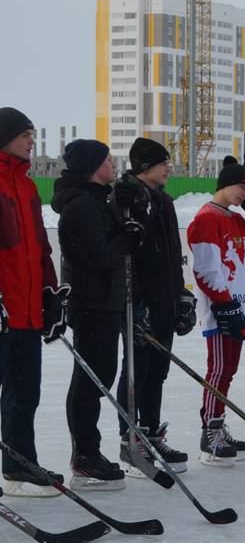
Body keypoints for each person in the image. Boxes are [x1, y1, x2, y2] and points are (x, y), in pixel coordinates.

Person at [53, 139, 142, 489]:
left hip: (105, 301)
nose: (114, 164)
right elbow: (99, 257)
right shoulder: (82, 207)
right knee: (90, 380)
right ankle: (85, 455)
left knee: (99, 376)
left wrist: (122, 218)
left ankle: (89, 452)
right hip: (92, 304)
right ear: (92, 167)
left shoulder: (97, 201)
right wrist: (126, 238)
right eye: (107, 160)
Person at [113, 137, 193, 475]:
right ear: (145, 167)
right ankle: (130, 438)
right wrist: (136, 304)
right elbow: (128, 253)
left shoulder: (163, 200)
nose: (169, 168)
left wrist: (182, 295)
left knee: (157, 370)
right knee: (137, 370)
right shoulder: (125, 197)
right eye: (163, 163)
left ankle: (151, 430)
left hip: (163, 299)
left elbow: (172, 254)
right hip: (140, 301)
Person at [0, 107, 67, 497]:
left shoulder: (26, 187)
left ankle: (19, 466)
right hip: (4, 309)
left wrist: (48, 292)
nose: (32, 142)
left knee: (25, 392)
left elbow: (40, 248)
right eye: (26, 135)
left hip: (25, 311)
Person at [188, 163, 245, 467]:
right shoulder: (207, 219)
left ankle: (219, 423)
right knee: (218, 369)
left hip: (240, 307)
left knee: (229, 369)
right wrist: (224, 303)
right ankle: (210, 431)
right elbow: (206, 268)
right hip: (222, 309)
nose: (244, 193)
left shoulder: (238, 219)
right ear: (225, 184)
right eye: (241, 187)